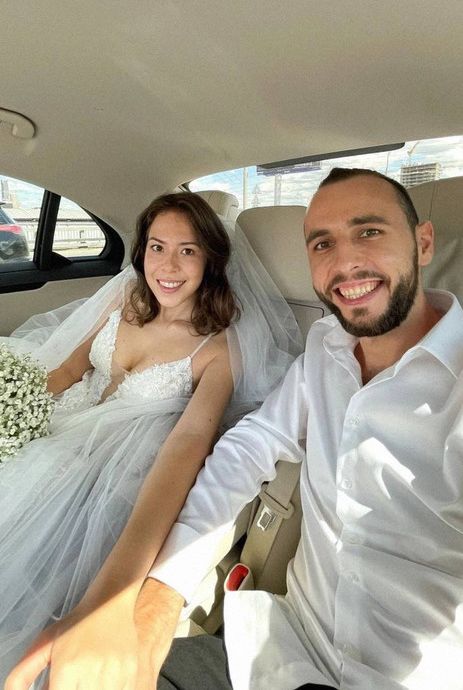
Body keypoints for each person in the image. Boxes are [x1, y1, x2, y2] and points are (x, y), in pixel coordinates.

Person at [10, 167, 463, 689]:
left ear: (423, 243)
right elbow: (245, 451)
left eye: (369, 231)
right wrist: (154, 603)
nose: (345, 261)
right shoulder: (324, 350)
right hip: (281, 655)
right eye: (322, 244)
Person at [0, 192, 302, 688]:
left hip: (115, 466)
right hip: (60, 425)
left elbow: (190, 441)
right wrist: (14, 410)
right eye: (157, 247)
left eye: (188, 250)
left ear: (210, 259)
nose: (168, 266)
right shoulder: (123, 299)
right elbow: (70, 371)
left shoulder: (220, 349)